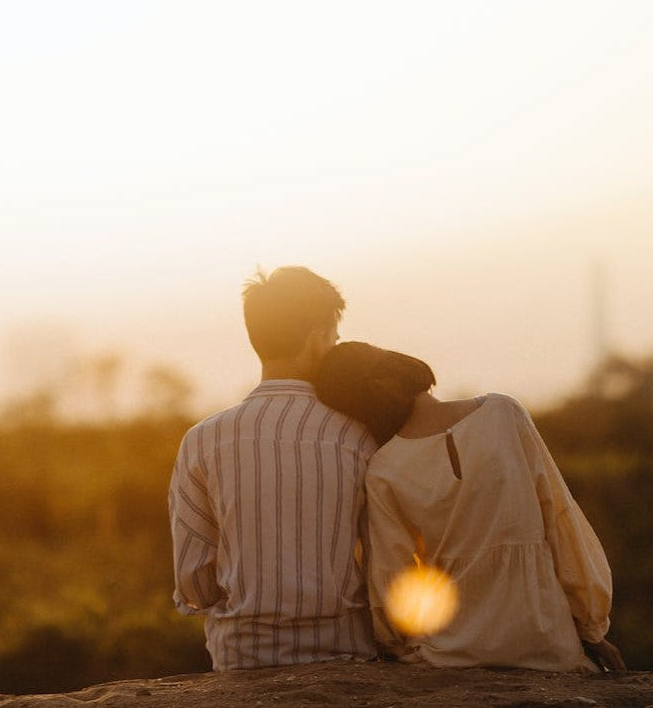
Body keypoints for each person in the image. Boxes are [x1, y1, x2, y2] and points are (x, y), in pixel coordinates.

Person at [314, 341, 625, 672]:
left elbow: (393, 578)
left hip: (450, 654)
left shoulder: (383, 469)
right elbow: (561, 521)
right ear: (401, 364)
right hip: (547, 643)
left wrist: (393, 643)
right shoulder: (504, 413)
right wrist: (591, 628)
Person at [168, 267, 377, 671]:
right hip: (347, 654)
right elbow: (384, 559)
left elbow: (193, 580)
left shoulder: (203, 439)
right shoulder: (360, 436)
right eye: (334, 338)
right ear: (318, 339)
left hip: (243, 657)